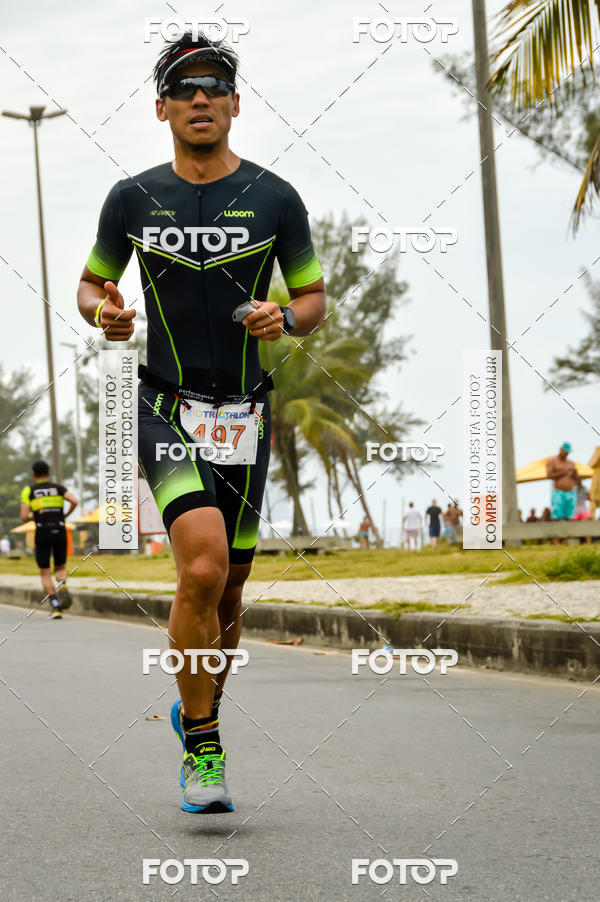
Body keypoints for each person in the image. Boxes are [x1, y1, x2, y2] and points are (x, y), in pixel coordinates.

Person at [77, 32, 326, 815]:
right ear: (161, 108)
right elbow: (91, 287)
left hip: (246, 412)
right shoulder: (131, 199)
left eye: (215, 86)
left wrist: (285, 316)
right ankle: (206, 746)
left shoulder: (277, 198)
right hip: (164, 407)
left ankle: (198, 711)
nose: (200, 99)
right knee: (203, 567)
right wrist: (106, 316)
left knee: (231, 595)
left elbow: (314, 303)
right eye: (184, 89)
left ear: (235, 104)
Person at [20, 461, 78, 618]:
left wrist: (35, 516)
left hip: (42, 533)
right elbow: (75, 500)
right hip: (59, 531)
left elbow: (24, 516)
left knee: (45, 572)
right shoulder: (58, 488)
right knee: (60, 568)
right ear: (48, 473)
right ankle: (62, 585)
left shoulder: (29, 490)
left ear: (33, 475)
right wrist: (64, 515)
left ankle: (55, 605)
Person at [546, 442, 577, 544]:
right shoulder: (552, 461)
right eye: (565, 452)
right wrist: (564, 472)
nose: (567, 454)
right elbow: (549, 475)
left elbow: (576, 477)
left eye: (568, 452)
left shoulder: (571, 463)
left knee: (569, 516)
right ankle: (556, 541)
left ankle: (565, 540)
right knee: (556, 516)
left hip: (571, 493)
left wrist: (574, 474)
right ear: (561, 449)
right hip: (558, 492)